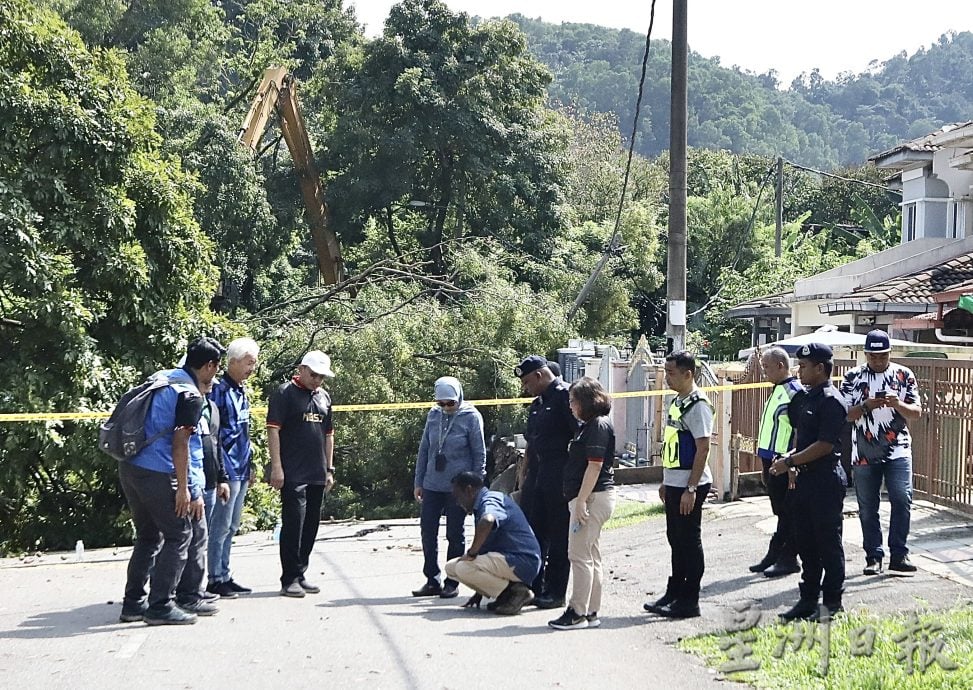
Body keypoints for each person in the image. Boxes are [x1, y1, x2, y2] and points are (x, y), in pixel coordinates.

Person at [118, 337, 225, 625]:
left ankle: (133, 604)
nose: (215, 373)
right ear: (208, 366)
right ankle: (161, 605)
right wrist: (186, 490)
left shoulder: (163, 378)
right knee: (180, 534)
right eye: (215, 367)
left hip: (131, 466)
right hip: (158, 471)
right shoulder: (189, 395)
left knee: (149, 535)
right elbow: (181, 446)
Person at [770, 343, 848, 621]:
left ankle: (831, 602)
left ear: (821, 368)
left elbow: (825, 445)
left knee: (828, 542)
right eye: (799, 366)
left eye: (804, 366)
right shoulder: (805, 398)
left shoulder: (831, 400)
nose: (800, 371)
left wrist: (791, 462)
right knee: (806, 543)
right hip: (803, 480)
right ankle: (807, 599)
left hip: (825, 480)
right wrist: (790, 458)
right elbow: (802, 440)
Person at [840, 329, 922, 575]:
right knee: (867, 507)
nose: (878, 361)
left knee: (902, 499)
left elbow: (916, 413)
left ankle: (899, 555)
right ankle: (873, 557)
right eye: (873, 356)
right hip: (864, 451)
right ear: (865, 354)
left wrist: (898, 404)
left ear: (890, 353)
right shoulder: (853, 377)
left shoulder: (904, 375)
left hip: (898, 449)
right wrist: (866, 406)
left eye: (883, 356)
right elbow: (845, 414)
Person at [644, 351, 713, 619]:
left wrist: (691, 488)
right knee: (675, 539)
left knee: (688, 540)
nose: (667, 378)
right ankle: (674, 592)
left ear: (688, 374)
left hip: (689, 485)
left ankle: (689, 599)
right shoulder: (678, 401)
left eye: (671, 373)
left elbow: (703, 447)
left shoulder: (698, 405)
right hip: (674, 482)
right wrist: (665, 481)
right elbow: (673, 444)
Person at [267, 350, 336, 598]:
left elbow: (329, 435)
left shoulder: (324, 397)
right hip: (292, 471)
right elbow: (273, 430)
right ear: (302, 369)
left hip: (317, 471)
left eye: (321, 377)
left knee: (311, 525)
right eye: (314, 375)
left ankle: (301, 572)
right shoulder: (284, 393)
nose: (317, 380)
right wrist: (277, 467)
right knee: (294, 523)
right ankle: (289, 578)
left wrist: (329, 469)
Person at [549, 377, 616, 631]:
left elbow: (595, 465)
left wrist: (580, 503)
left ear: (587, 401)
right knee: (591, 554)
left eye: (573, 401)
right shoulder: (590, 425)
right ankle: (590, 610)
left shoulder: (597, 425)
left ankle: (577, 611)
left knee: (578, 556)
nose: (570, 406)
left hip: (592, 497)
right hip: (592, 497)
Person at [412, 376, 486, 599]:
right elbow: (424, 449)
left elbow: (479, 453)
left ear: (458, 398)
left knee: (454, 533)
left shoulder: (471, 417)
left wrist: (475, 487)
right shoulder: (433, 415)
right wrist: (419, 482)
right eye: (441, 403)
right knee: (428, 531)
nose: (445, 408)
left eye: (450, 403)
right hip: (432, 484)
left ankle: (452, 580)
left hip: (459, 488)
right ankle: (431, 578)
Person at [516, 355, 577, 609]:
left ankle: (555, 590)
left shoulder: (565, 397)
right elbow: (532, 441)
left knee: (559, 535)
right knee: (534, 532)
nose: (526, 388)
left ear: (540, 376)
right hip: (538, 476)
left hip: (558, 475)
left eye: (528, 382)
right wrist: (524, 472)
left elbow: (578, 436)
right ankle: (534, 585)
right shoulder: (537, 404)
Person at [207, 337, 260, 598]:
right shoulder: (218, 390)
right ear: (234, 362)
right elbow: (214, 435)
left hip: (241, 465)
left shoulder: (241, 390)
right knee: (221, 524)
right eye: (249, 363)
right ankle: (214, 577)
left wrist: (251, 465)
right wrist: (220, 474)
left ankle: (225, 573)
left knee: (233, 525)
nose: (252, 368)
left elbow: (244, 432)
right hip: (226, 468)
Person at [445, 471, 541, 616]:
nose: (458, 502)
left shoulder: (490, 499)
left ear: (469, 490)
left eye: (458, 496)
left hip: (521, 560)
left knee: (463, 568)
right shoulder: (483, 502)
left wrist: (471, 553)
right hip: (509, 559)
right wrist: (479, 590)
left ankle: (517, 593)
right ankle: (506, 596)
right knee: (451, 567)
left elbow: (488, 520)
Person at [173, 375, 227, 617]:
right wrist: (191, 489)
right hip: (193, 483)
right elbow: (184, 447)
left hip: (209, 480)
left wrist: (222, 478)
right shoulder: (187, 404)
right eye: (207, 381)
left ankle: (196, 588)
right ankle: (184, 594)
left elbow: (216, 445)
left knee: (200, 540)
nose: (213, 383)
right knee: (190, 539)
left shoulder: (212, 408)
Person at [749, 347, 804, 578]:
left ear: (781, 366)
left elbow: (800, 432)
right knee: (781, 510)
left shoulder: (794, 392)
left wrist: (792, 464)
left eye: (766, 368)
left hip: (783, 462)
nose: (764, 373)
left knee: (788, 512)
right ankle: (776, 554)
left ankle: (787, 557)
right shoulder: (777, 390)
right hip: (770, 459)